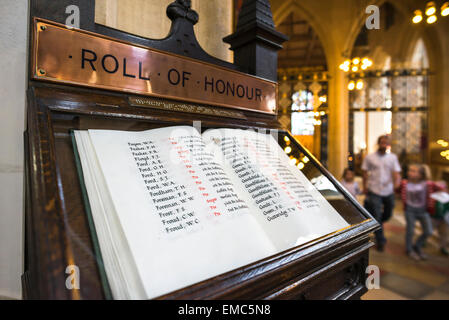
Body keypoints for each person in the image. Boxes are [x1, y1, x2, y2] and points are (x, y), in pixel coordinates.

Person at [362, 135, 401, 252]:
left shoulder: (392, 158)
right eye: (382, 142)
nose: (383, 144)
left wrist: (396, 185)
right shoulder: (370, 157)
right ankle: (381, 240)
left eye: (386, 143)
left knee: (388, 214)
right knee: (377, 215)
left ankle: (378, 222)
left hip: (388, 190)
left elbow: (396, 173)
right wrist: (365, 186)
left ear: (388, 145)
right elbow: (364, 172)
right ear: (378, 143)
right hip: (374, 190)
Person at [398, 164, 441, 260]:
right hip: (409, 210)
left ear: (421, 174)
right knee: (410, 231)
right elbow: (396, 189)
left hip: (423, 210)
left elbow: (441, 188)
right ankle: (409, 249)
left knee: (428, 231)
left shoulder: (428, 184)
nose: (410, 172)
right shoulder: (405, 183)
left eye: (413, 171)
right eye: (410, 170)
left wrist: (437, 197)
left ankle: (417, 245)